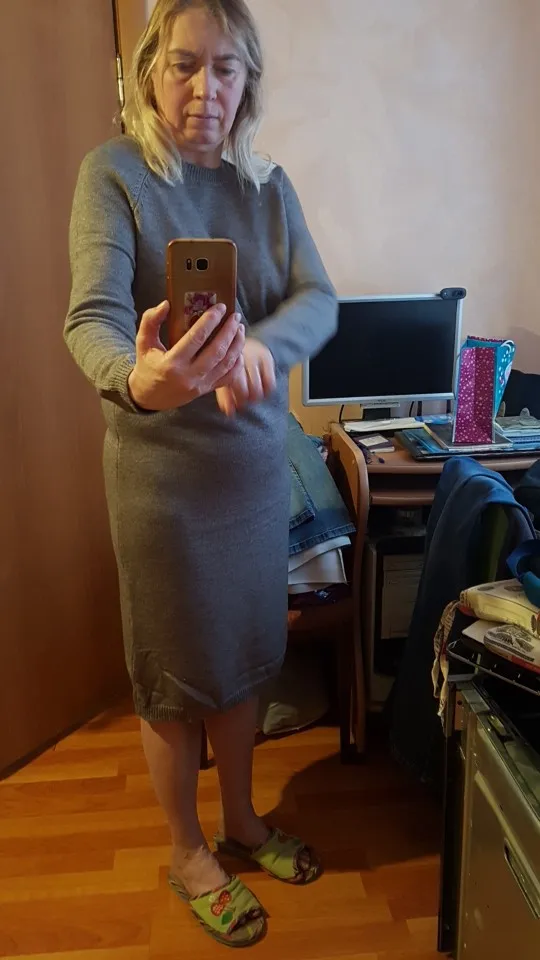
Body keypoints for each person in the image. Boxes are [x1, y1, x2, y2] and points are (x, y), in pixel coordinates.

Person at [65, 0, 337, 947]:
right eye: (184, 64)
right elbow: (92, 318)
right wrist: (137, 380)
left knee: (246, 659)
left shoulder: (268, 185)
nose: (204, 89)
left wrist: (263, 347)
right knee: (176, 676)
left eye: (225, 68)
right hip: (162, 488)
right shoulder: (114, 175)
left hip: (252, 475)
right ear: (151, 69)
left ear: (247, 80)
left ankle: (243, 821)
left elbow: (317, 297)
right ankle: (187, 850)